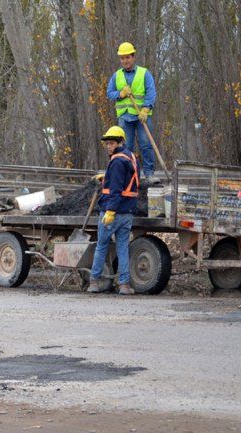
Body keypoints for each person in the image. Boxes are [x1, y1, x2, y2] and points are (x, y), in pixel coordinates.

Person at [88, 126, 139, 295]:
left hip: (114, 212)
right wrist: (106, 178)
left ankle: (94, 282)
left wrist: (110, 211)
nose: (108, 146)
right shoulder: (130, 157)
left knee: (101, 246)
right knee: (122, 248)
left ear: (120, 142)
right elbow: (126, 181)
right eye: (107, 143)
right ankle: (124, 285)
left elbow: (116, 189)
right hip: (128, 212)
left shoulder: (117, 161)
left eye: (111, 143)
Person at [106, 42, 157, 179]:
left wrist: (146, 109)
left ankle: (149, 173)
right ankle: (130, 175)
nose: (125, 61)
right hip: (125, 116)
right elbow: (109, 93)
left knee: (146, 145)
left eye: (127, 57)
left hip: (142, 117)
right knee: (126, 147)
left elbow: (151, 92)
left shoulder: (144, 73)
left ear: (133, 57)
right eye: (122, 58)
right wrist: (120, 94)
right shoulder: (116, 76)